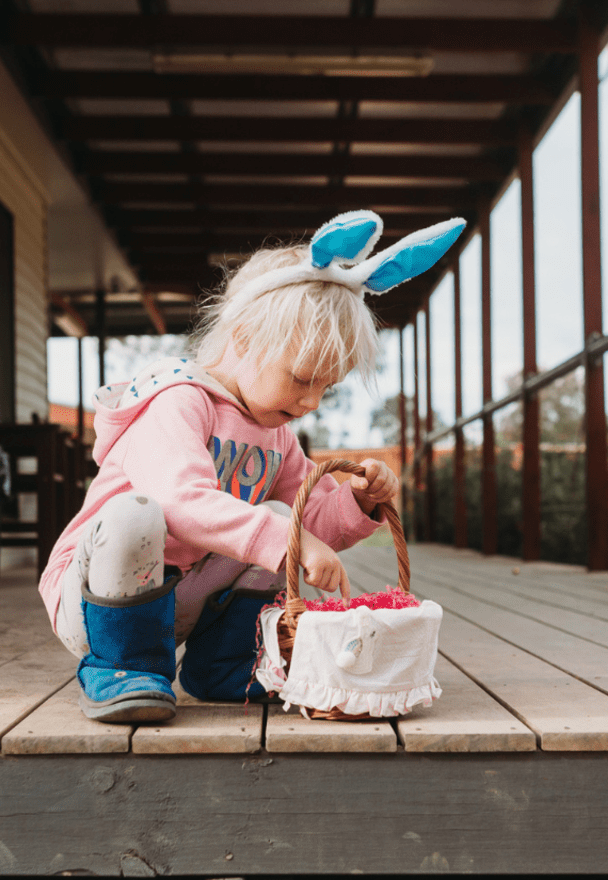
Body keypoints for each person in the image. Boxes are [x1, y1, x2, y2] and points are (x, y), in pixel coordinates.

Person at [38, 210, 466, 723]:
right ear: (242, 338)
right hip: (97, 601)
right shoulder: (177, 401)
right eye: (302, 378)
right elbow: (181, 501)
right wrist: (284, 536)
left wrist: (358, 502)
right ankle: (121, 668)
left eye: (325, 388)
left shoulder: (276, 433)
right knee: (139, 513)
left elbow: (306, 523)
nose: (312, 402)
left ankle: (224, 667)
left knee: (280, 525)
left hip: (181, 603)